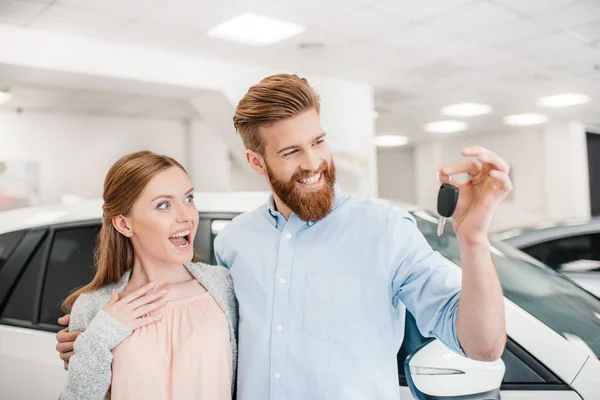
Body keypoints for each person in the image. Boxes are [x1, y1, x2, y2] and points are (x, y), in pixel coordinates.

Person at [57, 74, 511, 400]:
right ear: (257, 163)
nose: (313, 162)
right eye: (292, 151)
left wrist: (473, 240)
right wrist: (94, 339)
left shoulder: (386, 231)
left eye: (318, 141)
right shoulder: (235, 242)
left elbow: (482, 346)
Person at [58, 151, 237, 400]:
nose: (186, 215)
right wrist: (99, 337)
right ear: (124, 224)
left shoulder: (225, 287)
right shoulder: (94, 308)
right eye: (163, 205)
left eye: (188, 198)